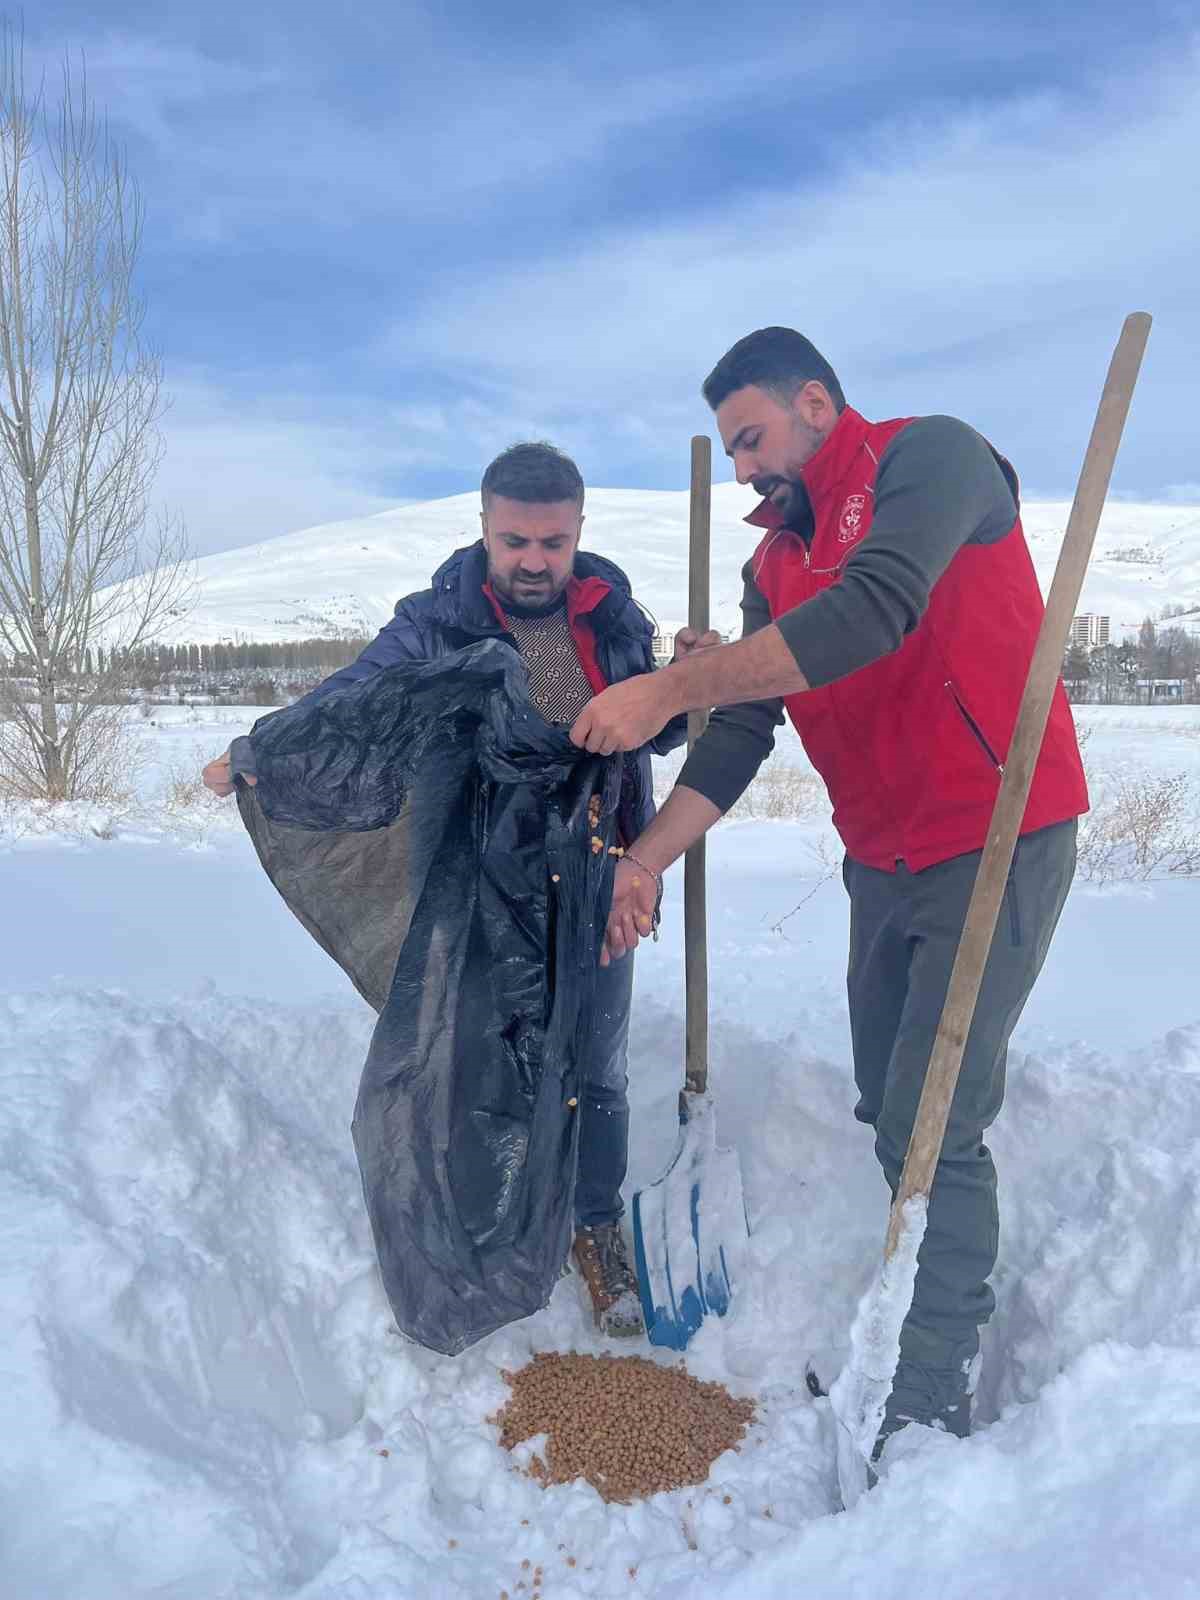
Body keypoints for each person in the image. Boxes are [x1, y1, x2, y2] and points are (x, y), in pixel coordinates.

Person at [569, 328, 1087, 1455]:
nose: (745, 465)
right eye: (730, 450)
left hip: (999, 832)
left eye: (751, 437)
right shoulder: (774, 568)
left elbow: (876, 611)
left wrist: (671, 683)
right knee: (883, 1100)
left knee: (931, 1118)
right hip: (884, 860)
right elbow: (738, 737)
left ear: (815, 402)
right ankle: (907, 1329)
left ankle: (931, 1391)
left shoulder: (931, 458)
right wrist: (649, 856)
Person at [203, 441, 716, 1339]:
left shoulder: (611, 615)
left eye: (552, 541)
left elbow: (651, 740)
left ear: (578, 533)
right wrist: (262, 752)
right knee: (476, 1056)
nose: (532, 560)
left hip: (598, 874)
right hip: (481, 883)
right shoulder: (435, 623)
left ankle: (592, 1225)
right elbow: (357, 697)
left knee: (594, 1065)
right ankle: (484, 1226)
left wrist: (682, 681)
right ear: (483, 527)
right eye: (514, 539)